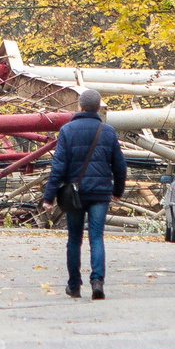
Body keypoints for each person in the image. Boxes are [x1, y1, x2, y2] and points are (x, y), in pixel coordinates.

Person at [42, 86, 127, 299]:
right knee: (96, 237)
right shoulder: (108, 132)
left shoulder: (67, 131)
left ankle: (74, 285)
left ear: (79, 106)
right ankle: (97, 281)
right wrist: (117, 190)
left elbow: (58, 167)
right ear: (98, 107)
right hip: (100, 193)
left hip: (75, 194)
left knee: (74, 239)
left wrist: (48, 196)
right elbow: (120, 166)